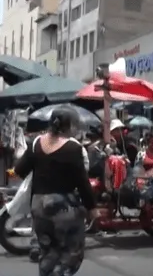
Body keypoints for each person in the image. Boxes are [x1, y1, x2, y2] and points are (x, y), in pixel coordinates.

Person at [13, 105, 97, 275]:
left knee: (47, 251)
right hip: (64, 207)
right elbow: (82, 181)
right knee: (71, 254)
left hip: (39, 206)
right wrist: (92, 207)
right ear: (69, 126)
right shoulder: (73, 148)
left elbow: (20, 170)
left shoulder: (36, 142)